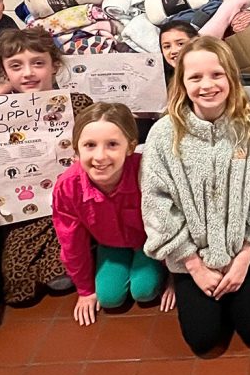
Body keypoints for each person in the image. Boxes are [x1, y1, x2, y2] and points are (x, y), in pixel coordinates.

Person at [141, 36, 250, 354]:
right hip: (193, 256)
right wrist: (194, 266)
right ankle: (199, 291)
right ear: (182, 82)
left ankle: (237, 291)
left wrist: (245, 257)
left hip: (240, 249)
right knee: (202, 339)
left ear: (231, 77)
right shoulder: (164, 135)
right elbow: (157, 203)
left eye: (217, 74)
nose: (208, 85)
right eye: (195, 77)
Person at [0, 28, 94, 305]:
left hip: (72, 205)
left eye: (38, 63)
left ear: (54, 65)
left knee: (61, 279)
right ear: (4, 71)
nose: (28, 73)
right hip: (25, 210)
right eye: (16, 66)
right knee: (17, 289)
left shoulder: (79, 103)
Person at [53, 102, 174, 326]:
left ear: (130, 147)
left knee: (144, 291)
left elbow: (172, 221)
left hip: (151, 244)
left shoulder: (146, 172)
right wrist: (85, 290)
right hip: (110, 245)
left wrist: (176, 275)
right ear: (76, 149)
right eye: (90, 145)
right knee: (109, 298)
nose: (100, 156)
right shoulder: (68, 186)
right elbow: (71, 242)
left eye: (112, 145)